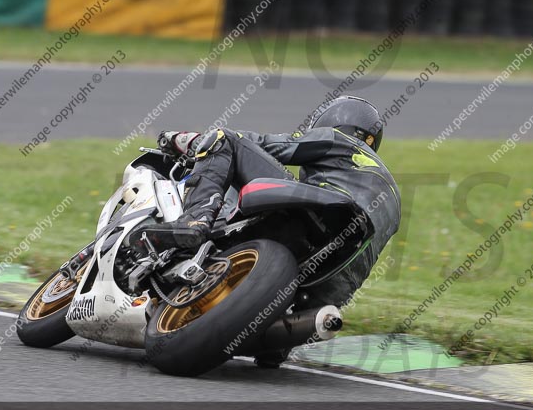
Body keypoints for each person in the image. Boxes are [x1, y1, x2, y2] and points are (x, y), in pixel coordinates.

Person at [142, 96, 401, 365]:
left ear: (332, 122)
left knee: (223, 138)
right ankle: (274, 344)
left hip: (313, 221)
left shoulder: (340, 141)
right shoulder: (393, 198)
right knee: (272, 343)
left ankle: (194, 220)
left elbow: (261, 144)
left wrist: (185, 140)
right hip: (330, 285)